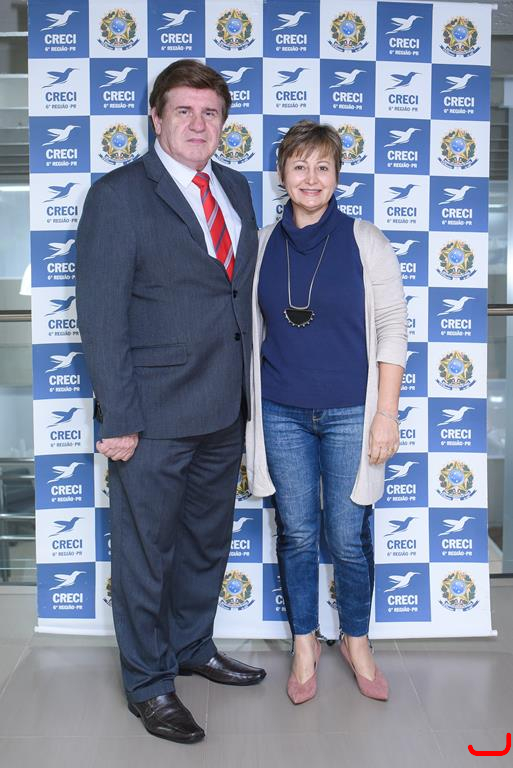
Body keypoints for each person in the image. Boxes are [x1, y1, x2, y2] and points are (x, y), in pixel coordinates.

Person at [76, 59, 265, 745]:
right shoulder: (118, 195)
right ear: (155, 119)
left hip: (224, 406)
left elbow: (233, 295)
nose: (197, 123)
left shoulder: (236, 188)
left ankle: (191, 646)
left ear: (223, 123)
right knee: (145, 555)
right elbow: (101, 316)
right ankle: (149, 683)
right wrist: (119, 418)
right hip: (151, 415)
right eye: (183, 110)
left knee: (205, 543)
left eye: (210, 113)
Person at [245, 120, 407, 705]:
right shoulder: (261, 244)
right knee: (296, 533)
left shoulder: (366, 240)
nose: (310, 178)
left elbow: (392, 327)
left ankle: (356, 641)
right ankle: (305, 643)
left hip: (350, 414)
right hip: (280, 412)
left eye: (322, 167)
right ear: (282, 175)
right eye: (299, 166)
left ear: (337, 176)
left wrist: (386, 414)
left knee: (347, 535)